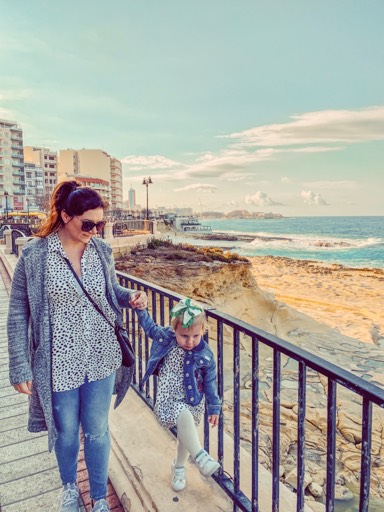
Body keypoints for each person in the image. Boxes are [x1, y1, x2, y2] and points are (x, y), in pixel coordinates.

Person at [7, 180, 148, 512]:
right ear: (65, 215)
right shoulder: (36, 254)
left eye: (99, 223)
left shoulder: (102, 250)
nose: (94, 230)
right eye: (87, 223)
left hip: (101, 356)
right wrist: (19, 365)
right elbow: (17, 311)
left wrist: (132, 298)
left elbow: (111, 291)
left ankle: (99, 497)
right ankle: (70, 488)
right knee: (66, 431)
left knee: (98, 430)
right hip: (58, 361)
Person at [133, 298, 221, 492]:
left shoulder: (205, 354)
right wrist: (141, 310)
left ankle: (179, 467)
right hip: (168, 398)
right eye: (184, 336)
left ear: (203, 332)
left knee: (185, 434)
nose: (189, 342)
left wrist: (214, 407)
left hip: (192, 400)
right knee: (181, 416)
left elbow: (210, 381)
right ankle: (200, 456)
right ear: (174, 330)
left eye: (195, 336)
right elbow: (149, 328)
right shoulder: (166, 338)